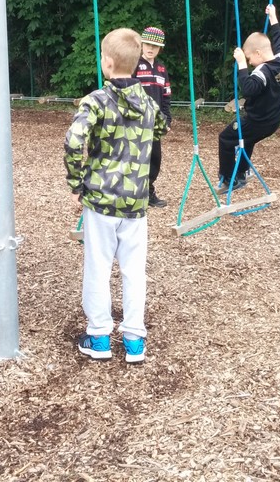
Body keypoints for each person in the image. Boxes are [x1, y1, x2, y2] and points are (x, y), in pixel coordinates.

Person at [65, 28, 168, 363]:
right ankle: (134, 339)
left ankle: (99, 337)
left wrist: (76, 182)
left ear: (107, 63)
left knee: (97, 266)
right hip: (136, 202)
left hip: (101, 200)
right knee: (133, 270)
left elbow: (74, 140)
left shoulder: (97, 101)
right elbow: (162, 127)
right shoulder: (148, 103)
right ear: (136, 63)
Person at [218, 4, 280, 190]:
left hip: (258, 121)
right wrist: (273, 17)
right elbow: (279, 38)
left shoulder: (262, 71)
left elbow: (248, 89)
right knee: (247, 140)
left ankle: (229, 178)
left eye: (250, 59)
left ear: (258, 53)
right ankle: (241, 172)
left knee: (225, 138)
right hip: (273, 121)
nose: (250, 62)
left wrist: (241, 64)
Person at [134, 26, 172, 208]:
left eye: (155, 46)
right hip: (137, 121)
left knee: (155, 157)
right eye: (148, 44)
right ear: (142, 45)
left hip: (155, 122)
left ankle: (148, 192)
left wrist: (167, 118)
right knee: (136, 156)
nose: (150, 48)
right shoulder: (134, 65)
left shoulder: (161, 69)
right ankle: (134, 192)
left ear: (160, 49)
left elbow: (166, 96)